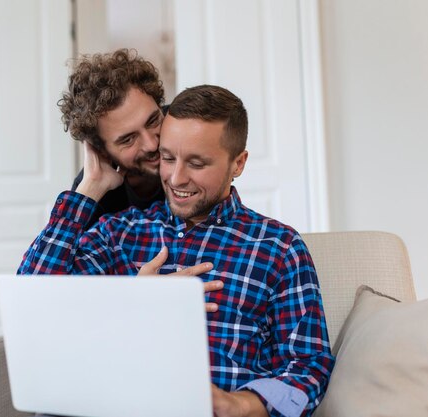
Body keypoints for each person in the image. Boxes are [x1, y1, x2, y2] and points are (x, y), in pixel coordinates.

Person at [19, 85, 334, 417]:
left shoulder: (278, 247)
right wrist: (90, 189)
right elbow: (31, 302)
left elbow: (309, 364)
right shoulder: (121, 232)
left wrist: (240, 404)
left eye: (196, 163)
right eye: (167, 158)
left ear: (238, 163)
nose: (176, 178)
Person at [59, 48, 167, 226]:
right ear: (102, 151)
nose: (152, 144)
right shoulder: (95, 187)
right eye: (128, 139)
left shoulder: (185, 125)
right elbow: (54, 253)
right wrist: (91, 189)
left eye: (153, 121)